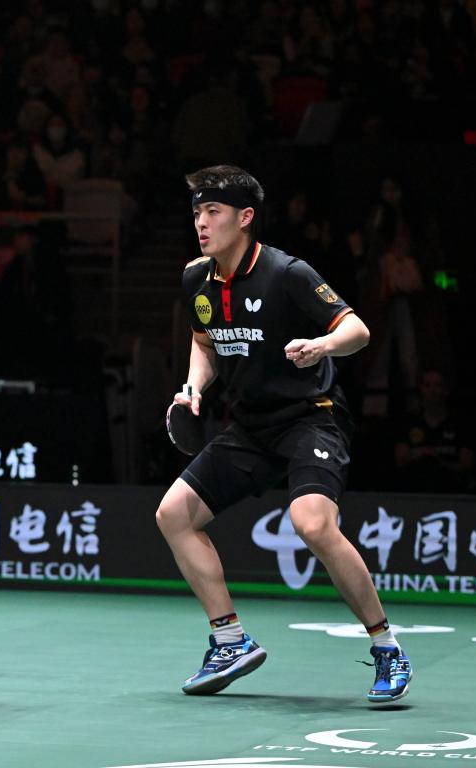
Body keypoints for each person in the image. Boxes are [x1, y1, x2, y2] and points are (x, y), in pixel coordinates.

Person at [154, 165, 412, 703]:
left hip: (311, 417)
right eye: (197, 212)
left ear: (245, 217)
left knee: (312, 523)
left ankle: (387, 646)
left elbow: (358, 330)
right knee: (173, 514)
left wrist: (322, 346)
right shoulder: (196, 279)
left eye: (213, 212)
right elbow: (204, 342)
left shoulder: (287, 273)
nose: (201, 223)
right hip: (250, 425)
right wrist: (194, 388)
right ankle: (230, 642)